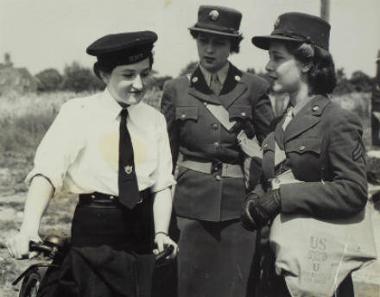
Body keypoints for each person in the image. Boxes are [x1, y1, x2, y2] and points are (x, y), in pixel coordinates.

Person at [7, 31, 178, 297]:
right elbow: (47, 173)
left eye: (145, 74)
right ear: (103, 74)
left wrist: (161, 232)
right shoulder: (78, 113)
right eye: (128, 74)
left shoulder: (154, 119)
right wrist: (29, 227)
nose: (139, 84)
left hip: (142, 239)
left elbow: (162, 184)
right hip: (95, 235)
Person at [242, 12, 367, 297]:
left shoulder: (336, 120)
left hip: (318, 269)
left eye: (277, 58)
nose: (268, 66)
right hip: (276, 264)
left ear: (308, 62)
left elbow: (354, 191)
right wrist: (254, 199)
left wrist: (283, 198)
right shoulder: (278, 123)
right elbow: (272, 179)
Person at [161, 5, 274, 297]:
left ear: (233, 46)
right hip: (189, 207)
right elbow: (166, 156)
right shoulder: (176, 89)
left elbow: (269, 149)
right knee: (188, 285)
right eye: (203, 41)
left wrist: (261, 200)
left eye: (219, 42)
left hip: (238, 210)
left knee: (234, 287)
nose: (209, 49)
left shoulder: (254, 88)